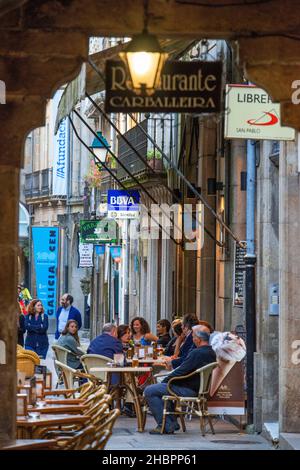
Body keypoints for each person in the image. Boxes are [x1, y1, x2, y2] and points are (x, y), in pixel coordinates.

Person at [144, 325, 216, 434]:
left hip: (187, 389)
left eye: (193, 336)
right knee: (158, 389)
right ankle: (171, 423)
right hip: (197, 388)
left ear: (198, 339)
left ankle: (166, 425)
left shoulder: (197, 353)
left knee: (149, 391)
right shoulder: (211, 352)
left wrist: (165, 382)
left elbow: (180, 371)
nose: (192, 339)